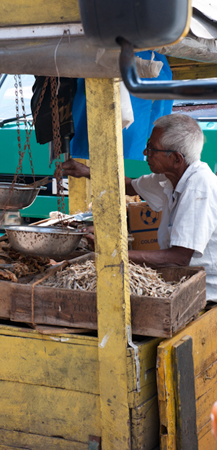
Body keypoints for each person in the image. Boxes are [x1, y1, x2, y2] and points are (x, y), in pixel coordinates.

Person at [62, 113, 217, 306]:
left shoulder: (198, 186)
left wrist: (110, 251)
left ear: (177, 159)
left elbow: (178, 259)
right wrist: (86, 172)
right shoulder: (169, 177)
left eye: (152, 149)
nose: (145, 153)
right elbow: (130, 186)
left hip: (204, 295)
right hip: (180, 283)